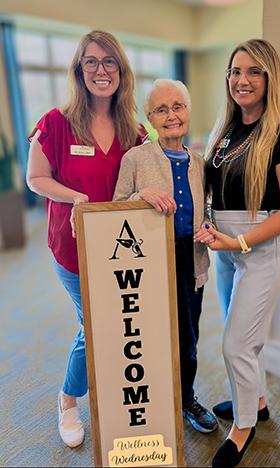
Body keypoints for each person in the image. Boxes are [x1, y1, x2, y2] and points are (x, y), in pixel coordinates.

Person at [26, 30, 147, 448]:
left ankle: (103, 393)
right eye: (91, 61)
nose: (101, 70)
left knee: (116, 322)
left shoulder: (134, 129)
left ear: (121, 70)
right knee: (94, 324)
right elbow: (35, 178)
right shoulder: (56, 123)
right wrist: (75, 196)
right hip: (73, 247)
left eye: (109, 61)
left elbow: (142, 180)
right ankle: (68, 400)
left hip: (122, 250)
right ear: (79, 70)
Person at [194, 39, 280, 467]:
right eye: (235, 71)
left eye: (253, 72)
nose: (241, 80)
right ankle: (257, 401)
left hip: (260, 250)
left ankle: (243, 427)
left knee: (234, 345)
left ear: (269, 78)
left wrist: (240, 240)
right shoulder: (225, 130)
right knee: (247, 337)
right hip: (226, 250)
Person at [113, 78, 218, 434]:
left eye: (178, 107)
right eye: (162, 109)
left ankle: (185, 398)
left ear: (188, 111)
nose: (171, 115)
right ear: (150, 117)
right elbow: (113, 210)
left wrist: (209, 226)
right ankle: (153, 403)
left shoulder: (201, 162)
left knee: (188, 339)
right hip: (148, 264)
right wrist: (140, 194)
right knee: (148, 337)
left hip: (192, 260)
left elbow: (208, 209)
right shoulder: (136, 159)